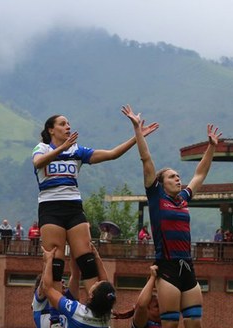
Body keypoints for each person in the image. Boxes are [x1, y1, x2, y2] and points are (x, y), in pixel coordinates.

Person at [124, 104, 221, 328]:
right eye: (173, 177)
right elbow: (146, 158)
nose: (179, 180)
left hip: (187, 269)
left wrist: (211, 147)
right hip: (166, 269)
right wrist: (138, 131)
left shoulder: (184, 200)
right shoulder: (156, 197)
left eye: (179, 177)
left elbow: (201, 172)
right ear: (161, 182)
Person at [32, 107, 158, 295]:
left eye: (68, 123)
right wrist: (61, 149)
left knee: (86, 258)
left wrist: (137, 135)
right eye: (63, 123)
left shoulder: (77, 151)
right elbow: (38, 163)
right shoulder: (41, 148)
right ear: (51, 129)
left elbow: (112, 154)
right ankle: (56, 316)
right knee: (55, 262)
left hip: (74, 207)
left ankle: (95, 310)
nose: (68, 126)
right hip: (50, 208)